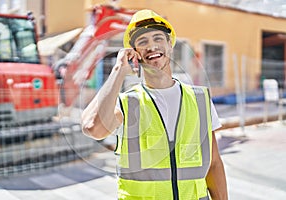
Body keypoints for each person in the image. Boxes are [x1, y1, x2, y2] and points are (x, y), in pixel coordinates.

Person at [81, 9, 228, 200]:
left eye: (158, 38)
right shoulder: (127, 104)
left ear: (170, 46)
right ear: (134, 53)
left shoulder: (199, 99)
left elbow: (214, 163)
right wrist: (119, 70)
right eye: (143, 42)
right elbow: (92, 127)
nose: (151, 46)